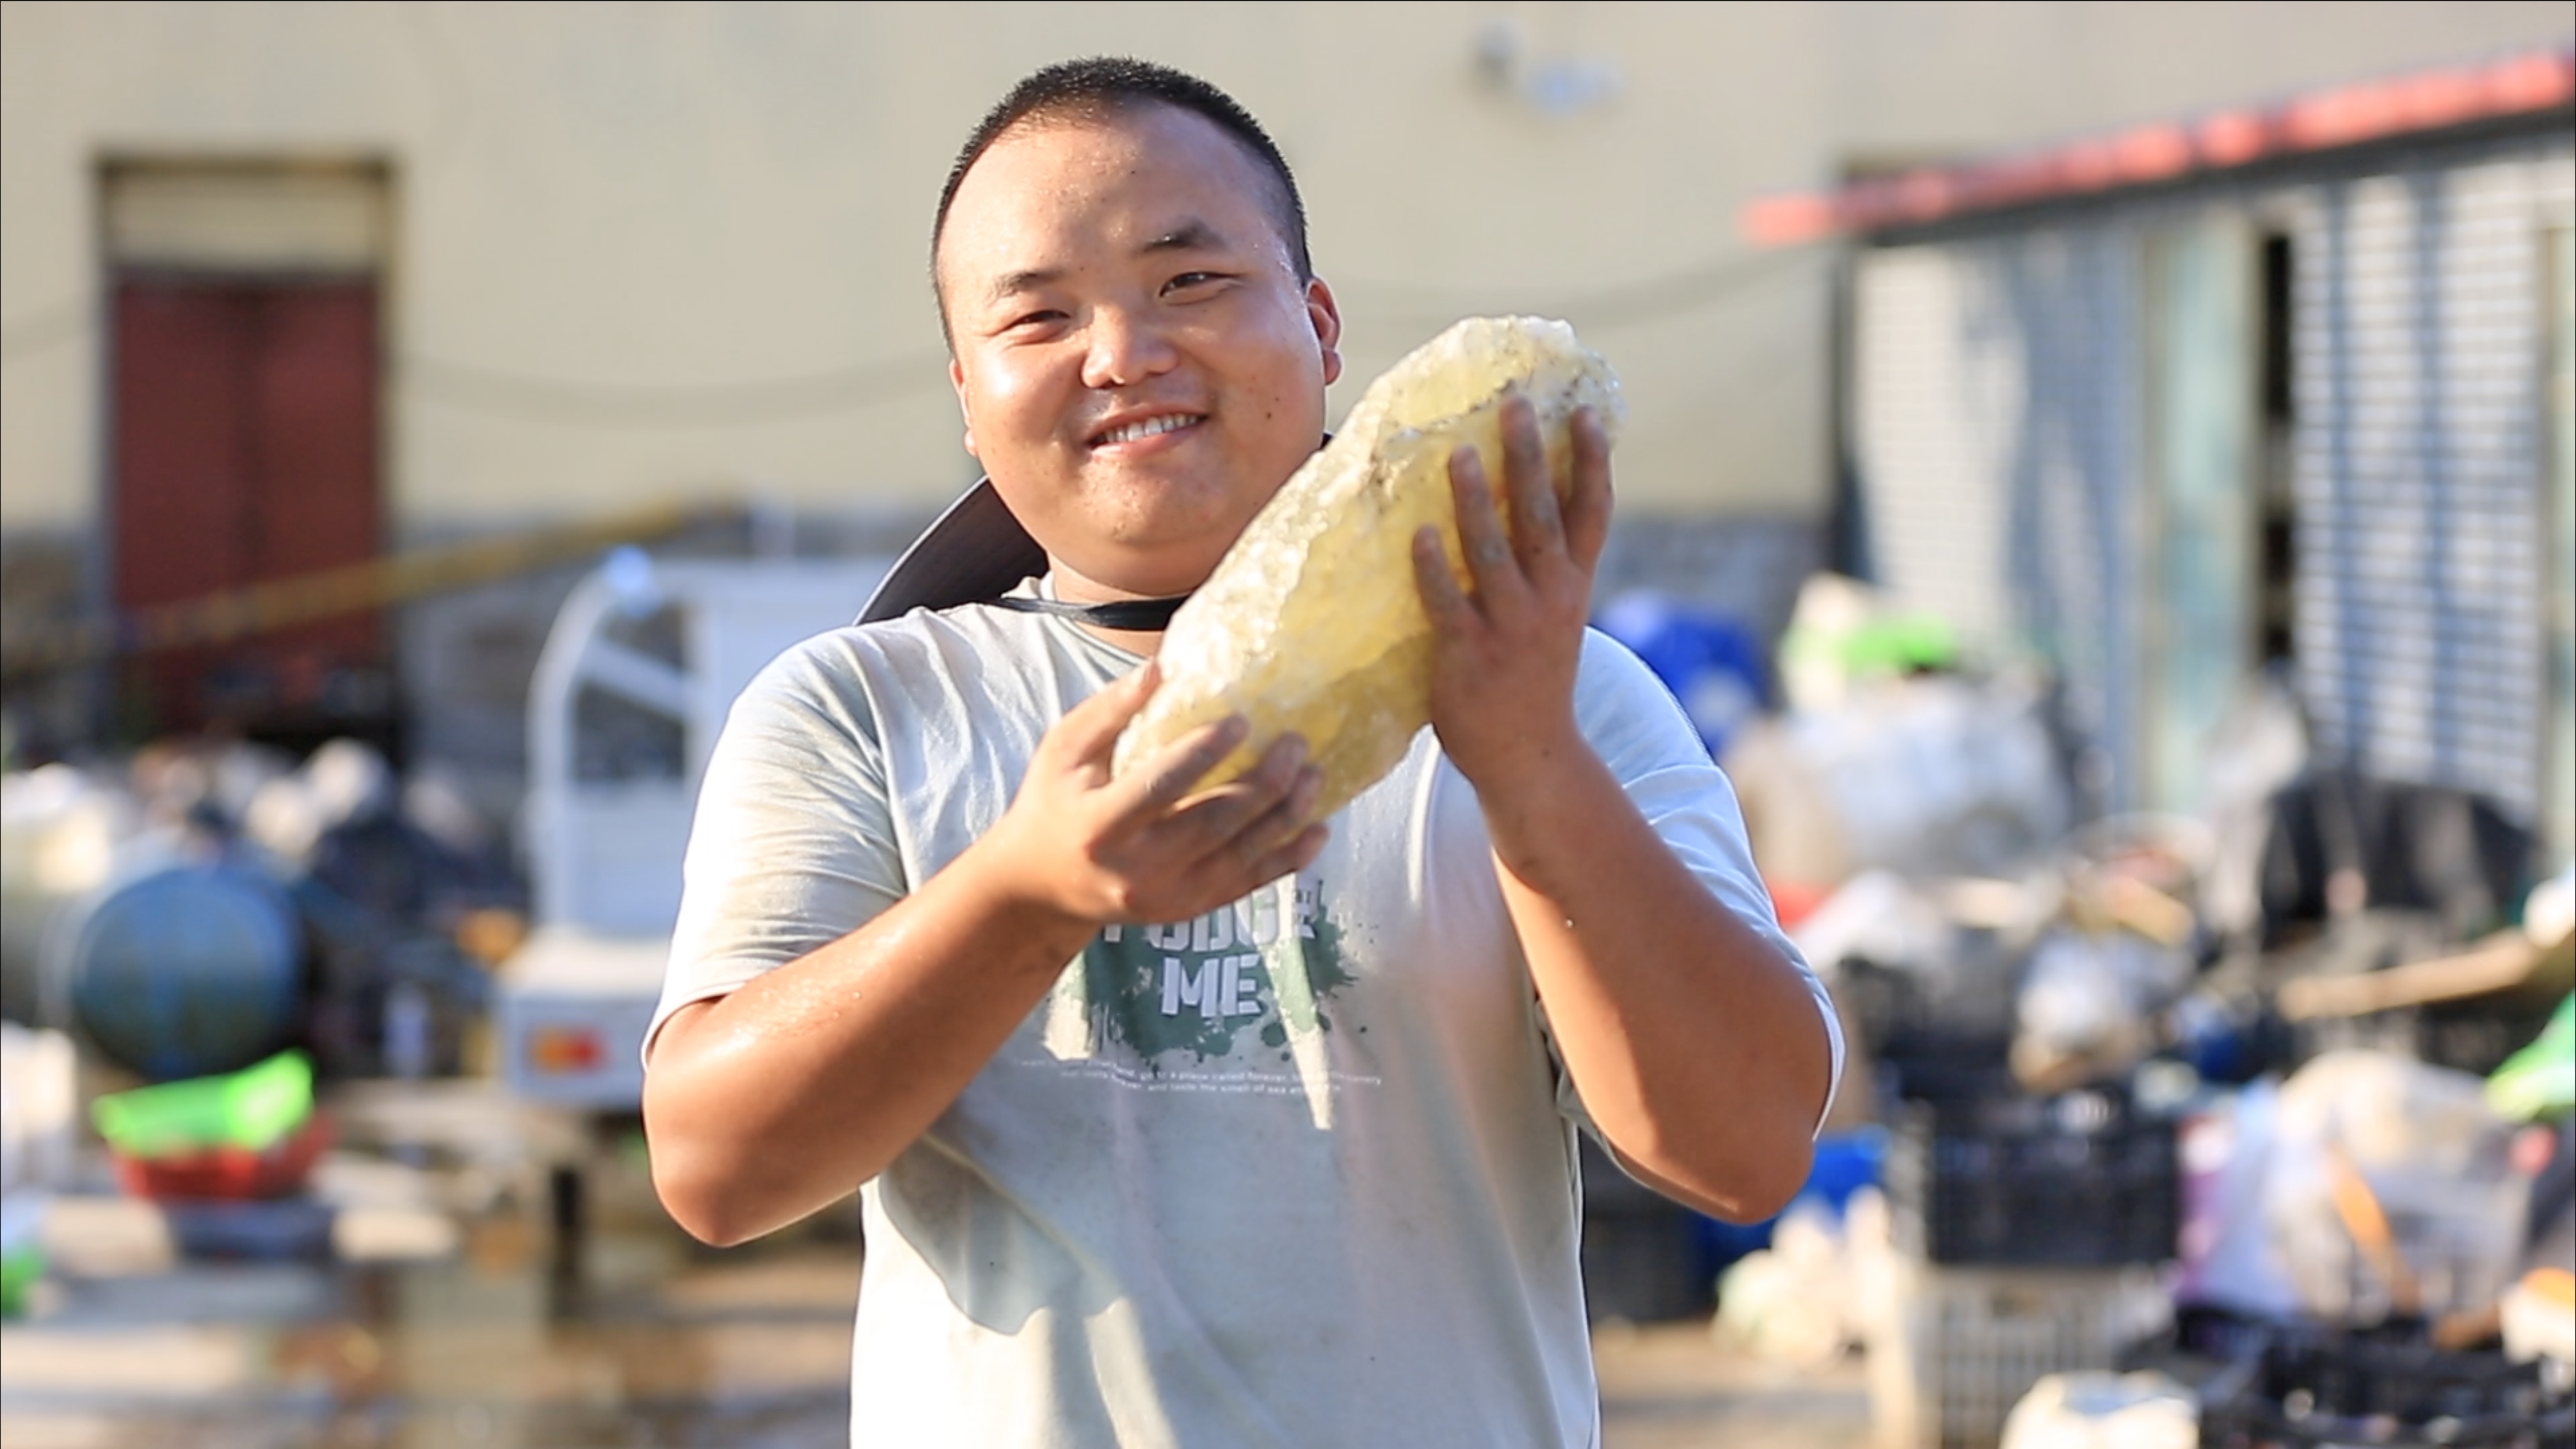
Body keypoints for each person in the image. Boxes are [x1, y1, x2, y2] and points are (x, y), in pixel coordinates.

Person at [641, 55, 1841, 1447]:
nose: (1123, 353)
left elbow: (1745, 1148)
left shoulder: (1564, 694)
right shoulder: (861, 707)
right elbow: (714, 1170)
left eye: (1189, 281)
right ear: (967, 397)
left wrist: (1527, 765)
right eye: (1038, 316)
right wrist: (1022, 893)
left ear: (1321, 326)